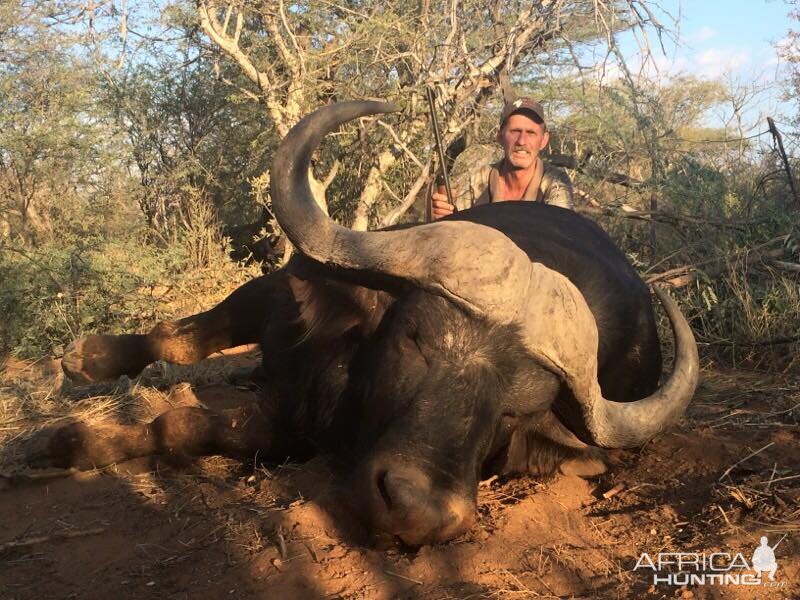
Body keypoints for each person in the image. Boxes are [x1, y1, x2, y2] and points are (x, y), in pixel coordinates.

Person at [431, 98, 574, 219]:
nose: (521, 141)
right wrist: (443, 215)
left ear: (543, 140)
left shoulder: (556, 182)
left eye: (531, 133)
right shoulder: (478, 179)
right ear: (500, 136)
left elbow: (558, 235)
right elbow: (456, 227)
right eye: (515, 131)